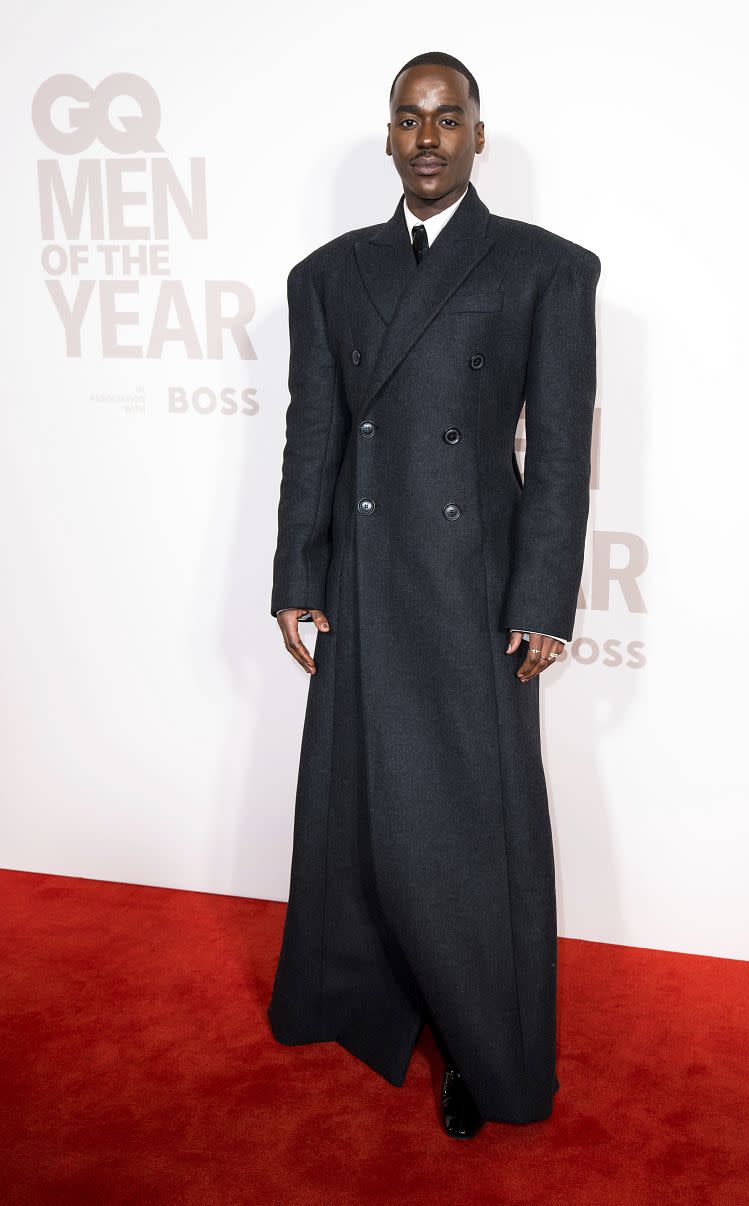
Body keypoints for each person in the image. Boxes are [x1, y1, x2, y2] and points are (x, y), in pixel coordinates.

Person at [268, 50, 601, 1140]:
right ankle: (363, 999)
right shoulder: (328, 275)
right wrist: (296, 576)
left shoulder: (545, 271)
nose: (426, 138)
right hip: (364, 593)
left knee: (470, 835)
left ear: (477, 135)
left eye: (446, 119)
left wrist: (544, 597)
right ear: (387, 137)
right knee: (363, 813)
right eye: (408, 120)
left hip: (474, 597)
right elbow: (311, 436)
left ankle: (479, 1047)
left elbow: (556, 456)